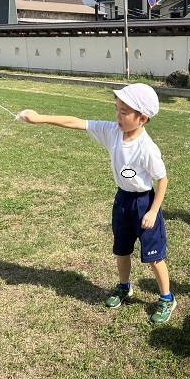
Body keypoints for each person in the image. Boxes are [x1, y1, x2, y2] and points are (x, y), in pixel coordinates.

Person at [18, 83, 176, 324]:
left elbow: (162, 179)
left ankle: (166, 298)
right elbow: (77, 122)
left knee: (154, 256)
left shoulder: (147, 149)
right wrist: (39, 118)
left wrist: (153, 211)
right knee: (121, 250)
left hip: (144, 203)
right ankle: (124, 287)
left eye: (124, 113)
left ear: (142, 118)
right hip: (123, 199)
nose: (118, 116)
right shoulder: (112, 131)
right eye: (117, 109)